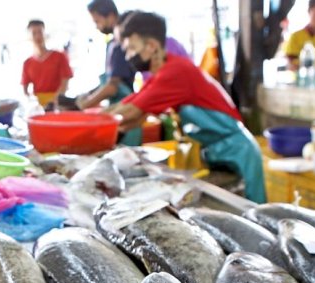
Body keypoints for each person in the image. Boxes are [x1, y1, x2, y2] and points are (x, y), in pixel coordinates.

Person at [109, 12, 266, 203]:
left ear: (151, 46)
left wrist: (98, 123)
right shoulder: (160, 75)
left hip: (240, 154)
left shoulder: (176, 72)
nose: (128, 56)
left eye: (132, 48)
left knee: (254, 211)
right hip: (217, 153)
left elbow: (131, 111)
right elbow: (136, 112)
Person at [76, 0, 136, 109]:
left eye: (97, 21)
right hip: (116, 105)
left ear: (111, 16)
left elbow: (112, 87)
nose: (97, 27)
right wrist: (87, 95)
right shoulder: (112, 44)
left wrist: (82, 106)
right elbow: (107, 82)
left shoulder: (120, 45)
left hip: (124, 106)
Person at [21, 19, 74, 107]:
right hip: (38, 104)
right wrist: (32, 102)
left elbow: (65, 81)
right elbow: (25, 91)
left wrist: (56, 100)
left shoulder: (59, 56)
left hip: (58, 102)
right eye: (34, 33)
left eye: (40, 32)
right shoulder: (27, 63)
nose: (38, 36)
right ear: (29, 37)